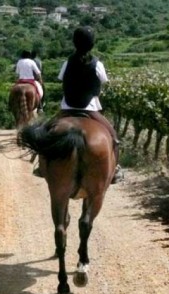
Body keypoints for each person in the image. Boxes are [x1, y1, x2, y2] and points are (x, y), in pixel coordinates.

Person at [33, 26, 122, 183]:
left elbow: (62, 79)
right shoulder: (97, 64)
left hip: (67, 107)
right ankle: (115, 169)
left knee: (44, 133)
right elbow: (104, 82)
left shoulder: (67, 62)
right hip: (91, 109)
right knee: (114, 137)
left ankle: (41, 166)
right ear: (92, 44)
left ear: (74, 43)